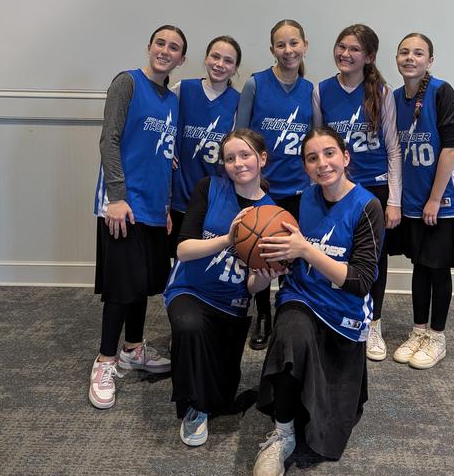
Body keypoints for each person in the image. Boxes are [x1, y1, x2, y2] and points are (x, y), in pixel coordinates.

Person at [252, 126, 384, 476]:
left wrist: (307, 250)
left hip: (344, 313)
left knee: (330, 426)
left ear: (345, 157)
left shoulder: (367, 207)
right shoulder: (299, 202)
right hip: (303, 298)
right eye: (312, 158)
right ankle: (282, 434)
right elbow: (284, 257)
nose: (322, 163)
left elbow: (360, 282)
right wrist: (271, 264)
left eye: (329, 154)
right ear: (305, 167)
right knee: (290, 334)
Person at [89, 24, 187, 410]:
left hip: (153, 207)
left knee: (143, 282)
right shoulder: (127, 83)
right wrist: (116, 197)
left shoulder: (172, 100)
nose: (165, 50)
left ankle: (132, 349)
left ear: (181, 59)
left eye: (174, 48)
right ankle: (105, 361)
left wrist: (165, 206)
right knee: (120, 286)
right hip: (123, 204)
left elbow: (164, 155)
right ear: (149, 46)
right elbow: (109, 139)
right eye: (160, 43)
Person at [164, 129, 277, 447]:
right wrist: (229, 239)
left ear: (262, 159)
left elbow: (252, 285)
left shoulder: (272, 213)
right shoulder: (209, 187)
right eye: (230, 158)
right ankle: (193, 408)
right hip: (191, 291)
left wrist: (267, 276)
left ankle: (206, 392)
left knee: (223, 395)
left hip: (232, 304)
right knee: (189, 327)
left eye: (245, 155)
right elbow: (183, 250)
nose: (238, 163)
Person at [312, 24, 401, 362]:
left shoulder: (381, 91)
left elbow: (393, 149)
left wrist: (394, 200)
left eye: (354, 49)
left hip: (374, 188)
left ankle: (373, 323)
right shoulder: (321, 90)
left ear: (369, 56)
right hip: (336, 188)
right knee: (335, 253)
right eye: (341, 46)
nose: (345, 54)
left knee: (374, 259)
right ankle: (334, 313)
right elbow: (317, 143)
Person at [389, 32, 454, 369]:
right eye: (404, 52)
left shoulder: (441, 91)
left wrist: (435, 199)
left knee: (437, 267)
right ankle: (418, 331)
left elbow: (450, 148)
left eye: (418, 53)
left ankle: (437, 337)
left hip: (443, 198)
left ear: (430, 60)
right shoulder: (395, 98)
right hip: (413, 197)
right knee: (420, 265)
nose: (410, 58)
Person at [236, 19, 313, 350]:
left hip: (299, 190)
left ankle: (289, 311)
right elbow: (240, 136)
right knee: (259, 254)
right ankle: (263, 315)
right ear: (272, 49)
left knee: (292, 255)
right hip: (263, 189)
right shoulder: (255, 84)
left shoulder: (311, 91)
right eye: (281, 44)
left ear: (305, 46)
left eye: (294, 43)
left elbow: (316, 141)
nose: (288, 50)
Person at [169, 36, 241, 252]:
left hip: (214, 195)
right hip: (179, 191)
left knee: (205, 257)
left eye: (228, 60)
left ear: (235, 68)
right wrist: (165, 152)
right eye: (215, 57)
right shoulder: (183, 89)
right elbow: (161, 121)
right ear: (206, 58)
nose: (220, 64)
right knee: (175, 256)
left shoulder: (238, 101)